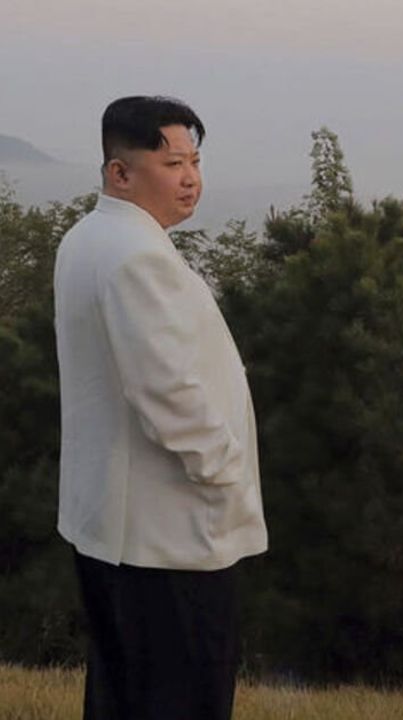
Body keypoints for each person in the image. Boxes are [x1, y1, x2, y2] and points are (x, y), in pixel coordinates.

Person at [53, 96, 267, 720]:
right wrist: (223, 471)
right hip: (166, 531)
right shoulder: (136, 255)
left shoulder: (89, 238)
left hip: (117, 527)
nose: (191, 177)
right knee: (181, 696)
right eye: (172, 162)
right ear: (119, 172)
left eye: (195, 160)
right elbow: (166, 391)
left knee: (125, 693)